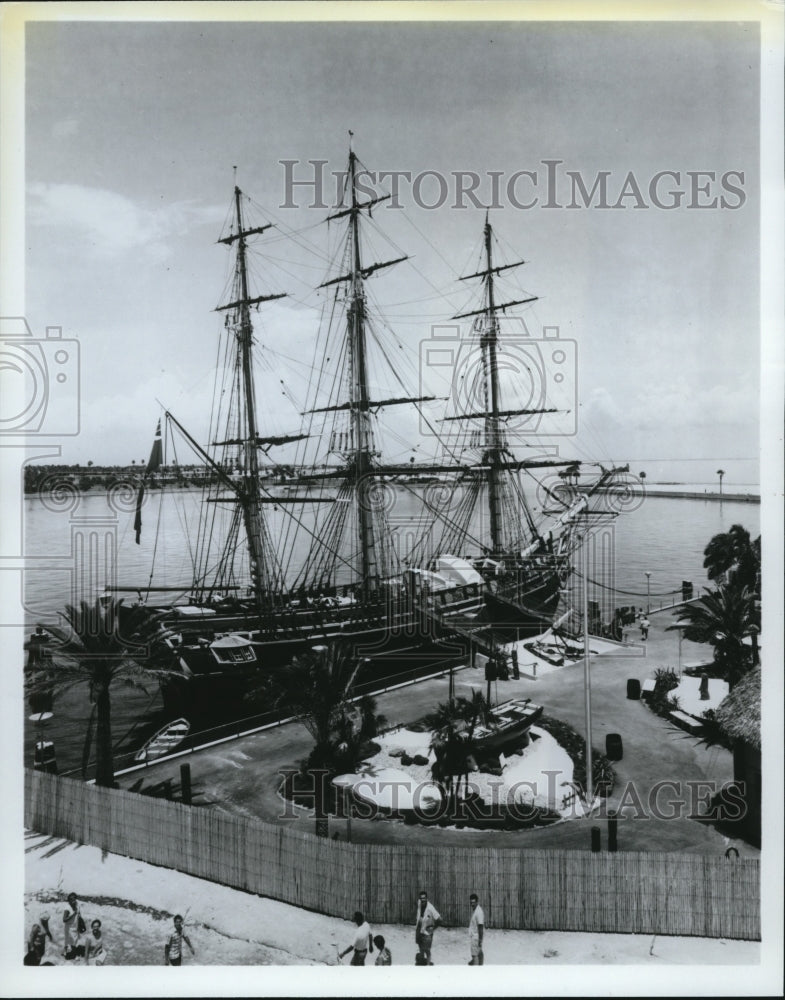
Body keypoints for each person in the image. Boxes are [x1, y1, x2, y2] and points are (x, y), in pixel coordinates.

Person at [414, 890, 441, 965]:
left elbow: (439, 919)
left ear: (426, 899)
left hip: (427, 932)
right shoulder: (419, 903)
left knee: (427, 950)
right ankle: (422, 962)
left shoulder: (430, 908)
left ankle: (428, 965)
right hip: (419, 929)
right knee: (420, 947)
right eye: (421, 898)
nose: (422, 900)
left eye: (424, 898)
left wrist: (433, 928)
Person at [63, 892, 86, 961]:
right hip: (69, 928)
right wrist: (73, 914)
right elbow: (64, 919)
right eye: (71, 900)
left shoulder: (77, 905)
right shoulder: (67, 908)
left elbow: (79, 914)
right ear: (69, 901)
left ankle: (70, 953)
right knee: (69, 942)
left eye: (74, 899)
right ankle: (70, 955)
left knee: (74, 941)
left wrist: (81, 923)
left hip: (75, 926)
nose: (73, 901)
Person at [468, 893, 485, 965]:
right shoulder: (476, 910)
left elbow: (480, 927)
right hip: (476, 937)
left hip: (476, 937)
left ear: (477, 902)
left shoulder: (478, 912)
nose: (472, 904)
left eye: (474, 902)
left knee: (474, 956)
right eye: (471, 902)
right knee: (479, 953)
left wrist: (480, 940)